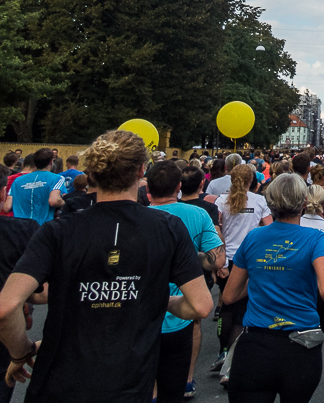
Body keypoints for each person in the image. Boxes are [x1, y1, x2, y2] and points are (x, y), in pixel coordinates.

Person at [0, 130, 212, 402]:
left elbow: (6, 307)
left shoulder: (57, 231)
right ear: (140, 171)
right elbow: (200, 305)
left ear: (93, 173)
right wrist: (159, 298)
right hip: (128, 384)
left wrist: (21, 352)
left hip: (58, 383)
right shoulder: (168, 228)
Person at [223, 173, 324, 403]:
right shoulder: (316, 239)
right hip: (300, 346)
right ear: (304, 203)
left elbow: (229, 295)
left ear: (270, 203)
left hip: (256, 345)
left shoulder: (253, 237)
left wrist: (263, 273)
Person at [148, 161, 226, 403]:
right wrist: (190, 258)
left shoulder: (137, 216)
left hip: (142, 312)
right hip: (183, 307)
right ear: (178, 187)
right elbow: (218, 260)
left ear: (148, 189)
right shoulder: (197, 214)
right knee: (174, 384)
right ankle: (188, 380)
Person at [211, 164, 272, 374]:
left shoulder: (222, 200)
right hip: (249, 261)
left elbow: (215, 229)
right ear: (252, 181)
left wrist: (220, 257)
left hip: (227, 260)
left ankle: (223, 350)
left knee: (226, 307)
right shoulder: (259, 200)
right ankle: (233, 357)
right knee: (242, 310)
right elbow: (269, 227)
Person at [0, 166, 38, 403]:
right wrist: (21, 351)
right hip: (6, 334)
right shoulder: (24, 231)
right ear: (4, 192)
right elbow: (41, 290)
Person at [2, 149, 64, 223]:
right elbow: (54, 201)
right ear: (51, 162)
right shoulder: (57, 178)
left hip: (20, 226)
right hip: (42, 227)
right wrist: (64, 202)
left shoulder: (17, 180)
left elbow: (6, 207)